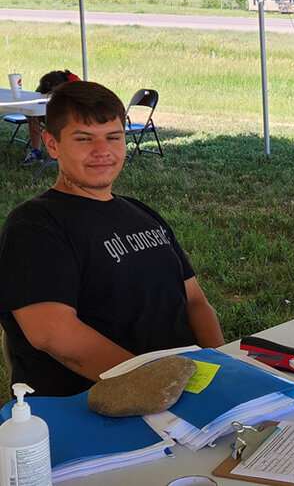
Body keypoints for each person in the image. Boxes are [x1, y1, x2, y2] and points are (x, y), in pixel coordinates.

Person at [0, 81, 225, 397]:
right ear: (51, 144)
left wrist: (223, 367)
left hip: (183, 390)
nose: (102, 151)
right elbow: (53, 334)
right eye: (84, 139)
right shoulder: (35, 225)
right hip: (98, 404)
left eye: (113, 137)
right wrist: (158, 385)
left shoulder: (140, 212)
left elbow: (196, 302)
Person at [21, 69, 81, 165]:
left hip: (72, 114)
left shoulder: (76, 85)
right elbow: (38, 96)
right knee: (33, 116)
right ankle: (36, 152)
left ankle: (65, 151)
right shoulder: (47, 83)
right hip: (51, 109)